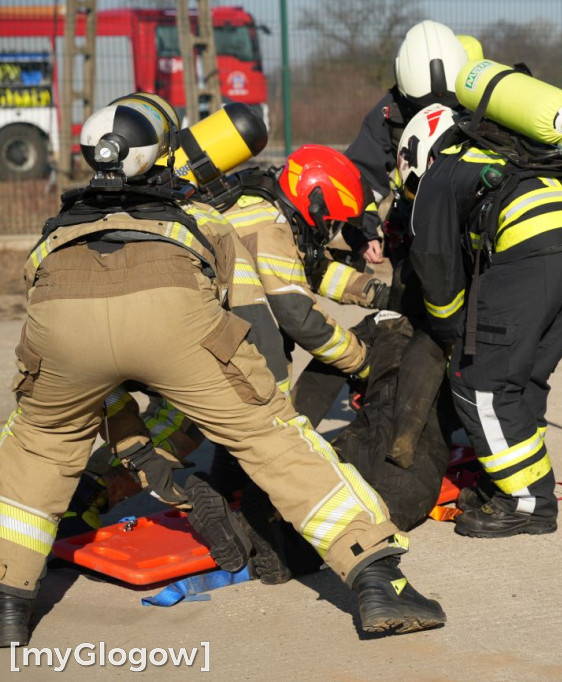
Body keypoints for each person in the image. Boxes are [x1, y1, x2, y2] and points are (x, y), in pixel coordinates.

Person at [0, 93, 445, 646]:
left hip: (63, 333)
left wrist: (117, 420)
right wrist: (263, 397)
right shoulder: (205, 217)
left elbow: (46, 307)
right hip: (177, 326)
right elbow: (251, 307)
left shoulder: (55, 229)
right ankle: (378, 580)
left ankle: (8, 603)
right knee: (276, 442)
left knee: (34, 452)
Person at [407, 102, 562, 538]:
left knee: (478, 381)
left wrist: (450, 331)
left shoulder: (443, 169)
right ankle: (503, 483)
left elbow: (435, 263)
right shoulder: (506, 151)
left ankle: (528, 501)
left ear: (421, 154)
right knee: (523, 376)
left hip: (537, 246)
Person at [292, 19, 471, 423]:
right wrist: (364, 228)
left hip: (470, 239)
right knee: (407, 329)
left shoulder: (478, 101)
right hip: (416, 241)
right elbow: (360, 178)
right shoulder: (390, 111)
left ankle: (446, 417)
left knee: (456, 337)